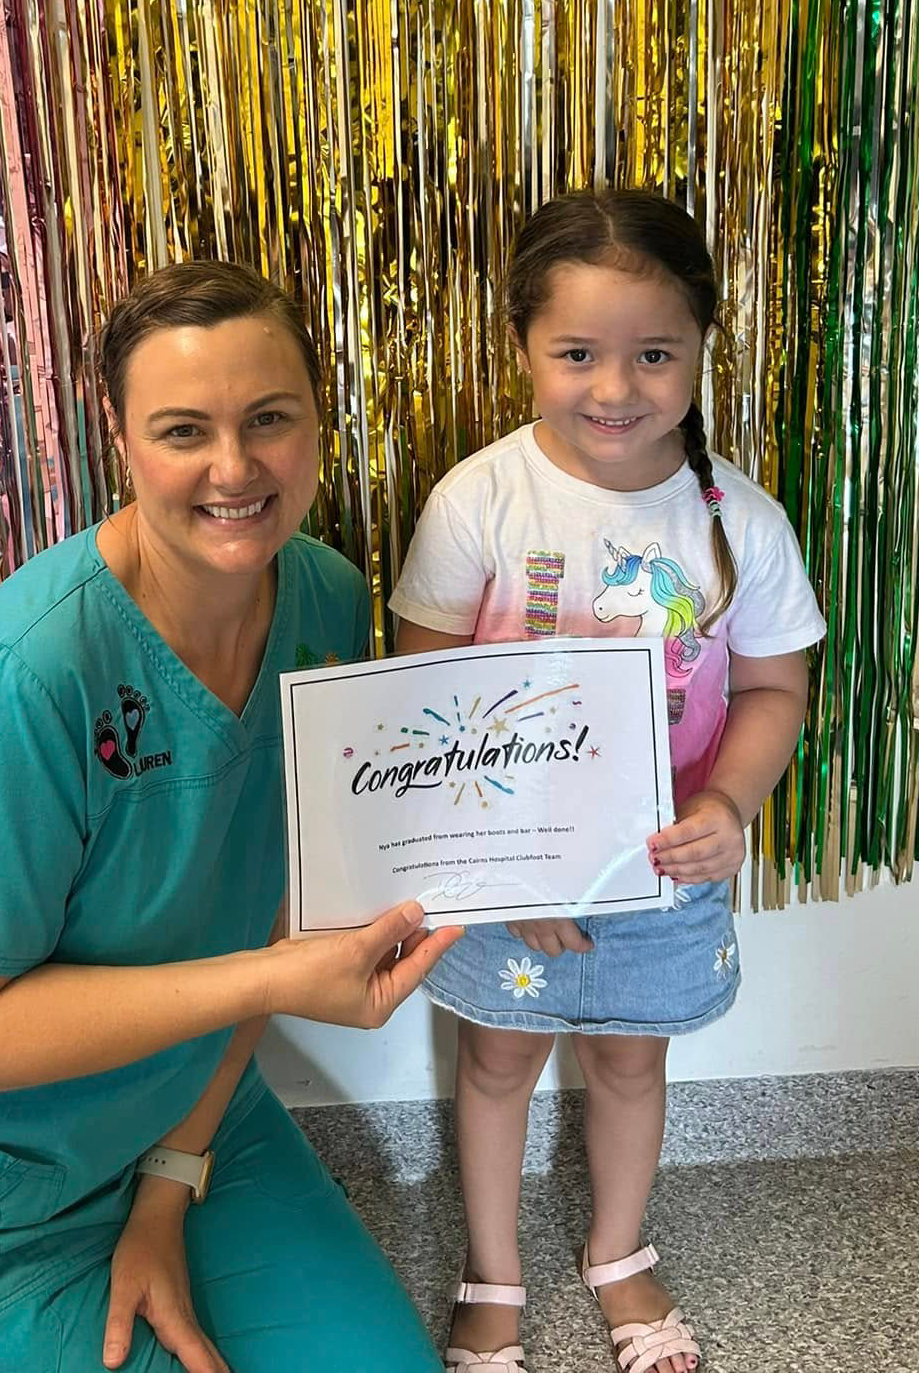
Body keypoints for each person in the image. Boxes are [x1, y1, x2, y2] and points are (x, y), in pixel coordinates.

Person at [0, 261, 463, 1373]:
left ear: (319, 421)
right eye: (184, 429)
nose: (234, 467)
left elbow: (268, 894)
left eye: (270, 419)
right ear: (121, 436)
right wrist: (273, 978)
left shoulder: (330, 601)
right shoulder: (24, 672)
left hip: (179, 1102)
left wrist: (170, 1179)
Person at [389, 189, 826, 1373]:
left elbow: (777, 690)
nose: (616, 387)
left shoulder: (744, 522)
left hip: (663, 869)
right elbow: (423, 708)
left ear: (700, 349)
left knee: (634, 1059)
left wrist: (727, 805)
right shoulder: (480, 499)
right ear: (523, 345)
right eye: (577, 352)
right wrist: (501, 863)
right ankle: (493, 1271)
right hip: (505, 871)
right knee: (495, 1060)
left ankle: (620, 1253)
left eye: (654, 354)